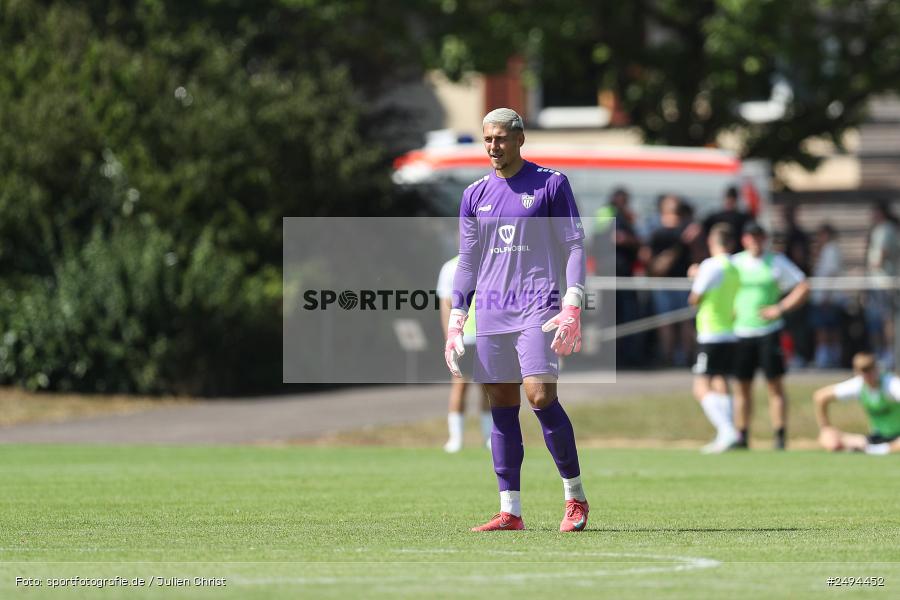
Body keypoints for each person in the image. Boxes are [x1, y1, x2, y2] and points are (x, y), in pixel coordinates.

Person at [444, 107, 589, 532]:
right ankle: (510, 511)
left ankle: (575, 499)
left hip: (537, 307)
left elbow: (574, 245)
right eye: (487, 139)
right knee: (501, 407)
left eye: (501, 139)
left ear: (520, 139)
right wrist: (457, 320)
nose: (493, 146)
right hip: (490, 311)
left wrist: (573, 303)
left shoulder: (551, 184)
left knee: (540, 396)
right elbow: (468, 262)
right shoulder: (473, 195)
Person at [732, 222, 810, 450]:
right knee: (741, 386)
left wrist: (780, 308)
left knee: (774, 385)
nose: (755, 241)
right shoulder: (736, 263)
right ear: (744, 239)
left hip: (768, 331)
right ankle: (742, 435)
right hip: (741, 331)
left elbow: (802, 285)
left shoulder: (775, 261)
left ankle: (779, 436)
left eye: (759, 237)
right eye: (751, 237)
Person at [688, 223, 741, 453]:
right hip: (729, 332)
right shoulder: (735, 266)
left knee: (700, 387)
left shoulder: (711, 266)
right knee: (720, 382)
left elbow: (695, 298)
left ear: (712, 242)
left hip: (711, 332)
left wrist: (695, 276)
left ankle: (727, 429)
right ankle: (725, 434)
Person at [436, 255, 492, 453]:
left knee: (488, 390)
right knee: (460, 386)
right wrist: (448, 337)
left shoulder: (490, 260)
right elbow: (446, 306)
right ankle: (456, 439)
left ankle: (489, 439)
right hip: (463, 338)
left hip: (487, 336)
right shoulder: (450, 267)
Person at [813, 352, 900, 455]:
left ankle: (873, 450)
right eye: (863, 372)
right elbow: (820, 397)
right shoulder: (858, 385)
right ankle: (873, 449)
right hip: (877, 436)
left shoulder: (890, 384)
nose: (867, 376)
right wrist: (825, 428)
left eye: (869, 370)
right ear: (857, 372)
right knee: (829, 440)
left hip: (897, 435)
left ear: (876, 369)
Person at [643, 194, 693, 366]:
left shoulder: (656, 233)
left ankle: (668, 358)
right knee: (685, 321)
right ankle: (686, 358)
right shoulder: (687, 233)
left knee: (666, 323)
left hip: (662, 283)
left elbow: (647, 258)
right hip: (683, 283)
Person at [865, 201, 900, 368]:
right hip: (879, 281)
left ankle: (889, 353)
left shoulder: (885, 229)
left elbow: (881, 255)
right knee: (880, 319)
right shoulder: (883, 229)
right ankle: (885, 352)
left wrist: (873, 264)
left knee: (887, 319)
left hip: (885, 282)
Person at [810, 224, 844, 368]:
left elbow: (831, 273)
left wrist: (825, 295)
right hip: (823, 295)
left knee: (826, 327)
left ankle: (827, 357)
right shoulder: (825, 250)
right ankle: (828, 355)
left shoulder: (831, 250)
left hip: (827, 296)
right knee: (825, 326)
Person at [702, 186, 751, 251]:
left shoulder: (743, 218)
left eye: (732, 199)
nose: (729, 201)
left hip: (737, 252)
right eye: (728, 198)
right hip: (718, 251)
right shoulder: (715, 217)